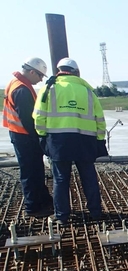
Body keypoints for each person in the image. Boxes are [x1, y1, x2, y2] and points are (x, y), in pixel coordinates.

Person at [33, 58, 106, 225]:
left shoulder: (49, 89)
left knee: (60, 179)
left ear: (59, 71)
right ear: (76, 72)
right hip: (85, 140)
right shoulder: (87, 91)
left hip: (58, 140)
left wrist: (42, 136)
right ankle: (95, 212)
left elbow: (38, 116)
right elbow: (100, 119)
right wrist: (99, 140)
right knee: (89, 177)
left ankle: (62, 216)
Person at [2, 57, 53, 218]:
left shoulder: (16, 83)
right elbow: (28, 120)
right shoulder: (22, 90)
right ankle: (33, 207)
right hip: (25, 137)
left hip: (20, 135)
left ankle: (43, 200)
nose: (40, 80)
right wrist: (40, 139)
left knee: (36, 170)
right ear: (32, 72)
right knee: (31, 172)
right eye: (40, 76)